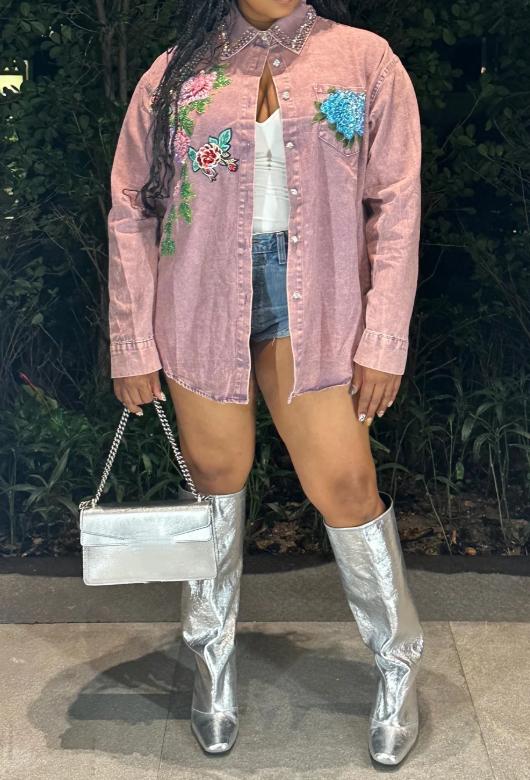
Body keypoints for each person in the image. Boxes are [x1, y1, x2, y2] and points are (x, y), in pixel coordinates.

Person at [107, 0, 425, 766]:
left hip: (317, 300)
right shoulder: (175, 75)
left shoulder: (363, 60)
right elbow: (131, 208)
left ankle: (398, 662)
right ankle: (210, 663)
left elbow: (396, 204)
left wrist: (384, 337)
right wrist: (131, 339)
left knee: (345, 484)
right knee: (215, 480)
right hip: (199, 296)